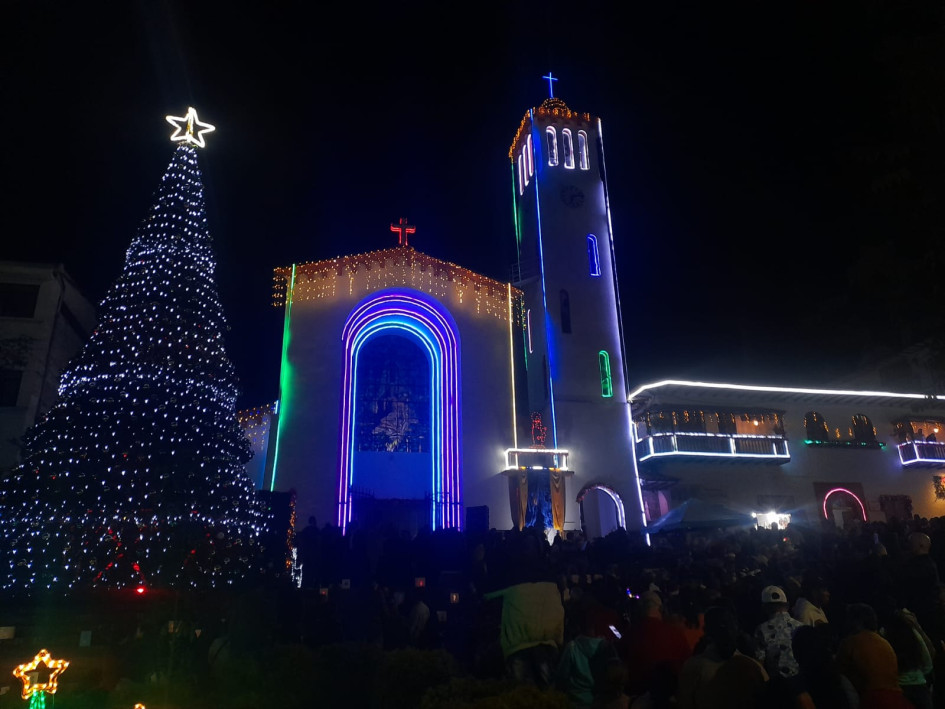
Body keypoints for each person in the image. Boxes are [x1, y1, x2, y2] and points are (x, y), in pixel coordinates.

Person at [484, 575, 565, 688]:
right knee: (547, 692)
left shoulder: (512, 587)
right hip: (546, 645)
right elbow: (558, 615)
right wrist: (558, 640)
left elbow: (486, 595)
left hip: (517, 646)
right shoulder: (552, 588)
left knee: (521, 691)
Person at [836, 603, 912, 708]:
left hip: (873, 700)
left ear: (856, 621)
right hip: (898, 699)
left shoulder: (850, 642)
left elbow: (837, 671)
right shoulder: (884, 643)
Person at [624, 591, 692, 699]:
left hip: (636, 695)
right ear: (661, 609)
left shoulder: (628, 635)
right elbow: (688, 667)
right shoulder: (675, 633)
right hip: (671, 696)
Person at [753, 585, 804, 681]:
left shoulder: (761, 630)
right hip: (802, 683)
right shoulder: (800, 626)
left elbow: (759, 663)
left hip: (778, 687)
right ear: (787, 605)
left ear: (764, 607)